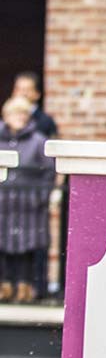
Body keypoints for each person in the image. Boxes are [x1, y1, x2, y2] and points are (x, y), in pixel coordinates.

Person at [0, 96, 55, 303]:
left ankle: (25, 286)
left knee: (25, 247)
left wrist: (40, 195)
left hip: (29, 205)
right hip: (3, 203)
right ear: (6, 116)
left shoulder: (38, 141)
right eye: (15, 113)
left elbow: (49, 171)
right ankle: (4, 285)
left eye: (23, 113)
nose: (19, 118)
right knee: (3, 245)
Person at [11, 72, 57, 140]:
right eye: (19, 89)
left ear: (37, 94)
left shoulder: (45, 121)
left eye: (27, 90)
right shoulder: (7, 118)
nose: (22, 93)